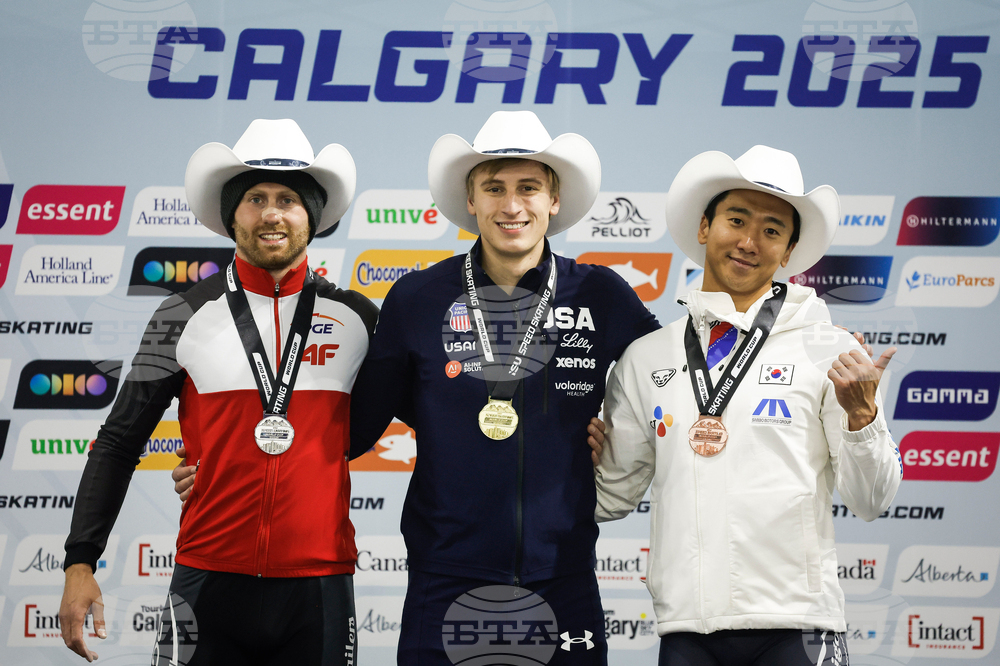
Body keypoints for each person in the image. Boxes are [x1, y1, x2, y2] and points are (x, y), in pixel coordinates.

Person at [345, 110, 660, 664]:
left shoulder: (601, 294)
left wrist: (626, 434)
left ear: (554, 200)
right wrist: (230, 462)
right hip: (446, 578)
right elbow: (347, 430)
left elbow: (678, 384)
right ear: (471, 200)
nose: (511, 206)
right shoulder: (417, 299)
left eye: (528, 188)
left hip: (563, 579)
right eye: (494, 188)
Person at [60, 119, 377, 665]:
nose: (272, 214)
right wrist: (80, 561)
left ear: (313, 217)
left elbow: (432, 417)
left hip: (319, 584)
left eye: (288, 199)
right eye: (255, 198)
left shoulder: (358, 317)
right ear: (232, 214)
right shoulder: (179, 314)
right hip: (207, 578)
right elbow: (118, 441)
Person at [594, 145, 903, 666]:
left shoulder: (832, 350)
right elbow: (610, 498)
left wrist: (862, 419)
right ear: (704, 227)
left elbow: (873, 500)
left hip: (797, 625)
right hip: (688, 629)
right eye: (736, 219)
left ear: (788, 252)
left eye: (771, 230)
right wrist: (575, 460)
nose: (748, 241)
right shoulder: (646, 357)